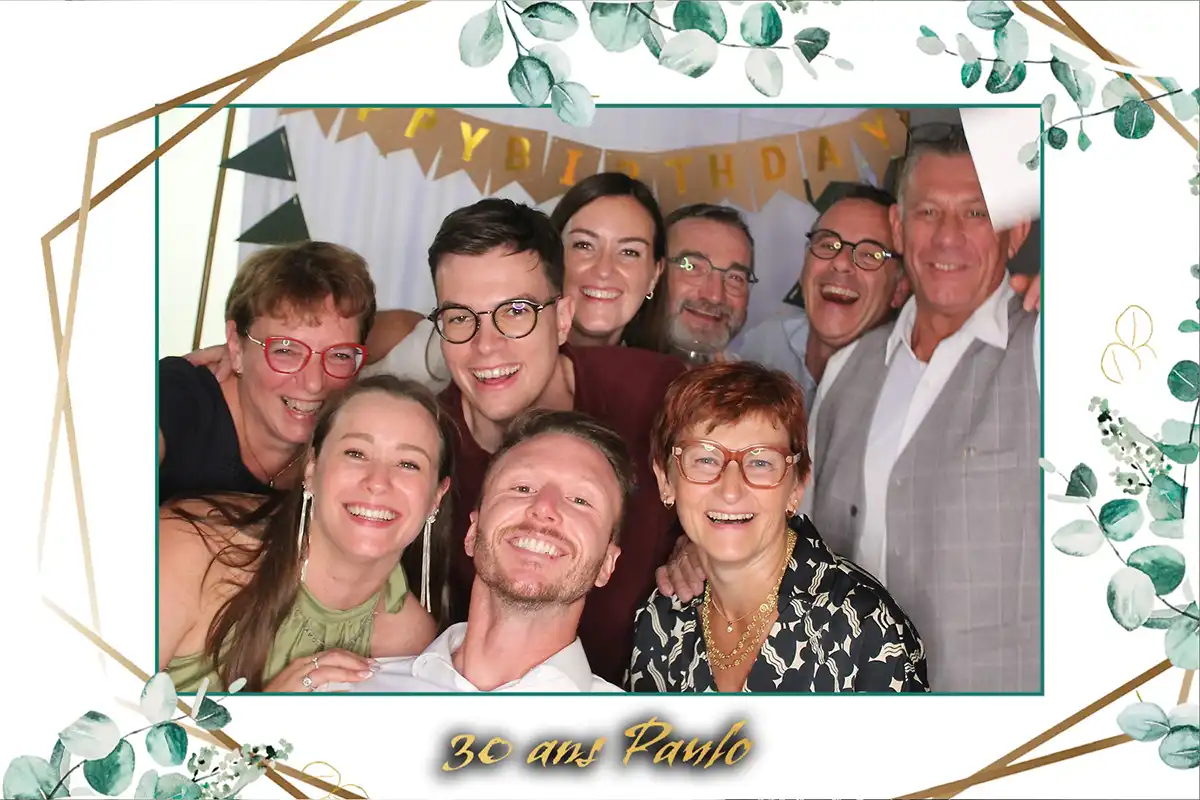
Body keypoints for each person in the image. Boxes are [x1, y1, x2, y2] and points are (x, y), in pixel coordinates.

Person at [805, 123, 1041, 692]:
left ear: (1015, 232)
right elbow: (793, 549)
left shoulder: (1044, 348)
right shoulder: (845, 371)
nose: (947, 238)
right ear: (898, 226)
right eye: (929, 212)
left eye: (976, 213)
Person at [427, 197, 686, 685]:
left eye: (516, 311)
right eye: (460, 317)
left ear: (563, 318)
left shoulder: (656, 394)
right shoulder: (422, 451)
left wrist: (702, 544)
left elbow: (749, 495)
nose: (487, 346)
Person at [627, 361, 927, 693]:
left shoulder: (865, 626)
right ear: (665, 480)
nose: (730, 490)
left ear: (796, 487)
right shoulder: (661, 619)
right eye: (706, 459)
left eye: (760, 462)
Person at [157, 375, 453, 692]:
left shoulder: (410, 638)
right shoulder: (190, 549)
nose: (378, 482)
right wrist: (265, 715)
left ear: (436, 496)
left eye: (408, 464)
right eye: (356, 453)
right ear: (311, 468)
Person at [327, 409, 634, 692]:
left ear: (607, 563)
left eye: (581, 501)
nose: (543, 508)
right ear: (472, 533)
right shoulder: (344, 694)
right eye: (522, 488)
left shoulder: (633, 730)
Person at [159, 241, 375, 503]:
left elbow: (409, 328)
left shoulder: (348, 443)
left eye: (339, 355)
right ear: (236, 345)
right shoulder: (176, 395)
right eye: (285, 350)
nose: (314, 383)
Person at [734, 184, 910, 409]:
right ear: (804, 266)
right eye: (828, 244)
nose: (841, 262)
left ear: (899, 289)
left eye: (869, 254)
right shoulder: (764, 345)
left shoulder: (905, 394)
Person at [549, 172, 667, 350]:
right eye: (584, 245)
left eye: (629, 252)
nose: (604, 270)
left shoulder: (664, 367)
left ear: (654, 275)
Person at [659, 203, 757, 363]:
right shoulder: (616, 368)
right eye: (692, 267)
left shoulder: (748, 378)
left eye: (735, 278)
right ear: (654, 272)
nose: (715, 297)